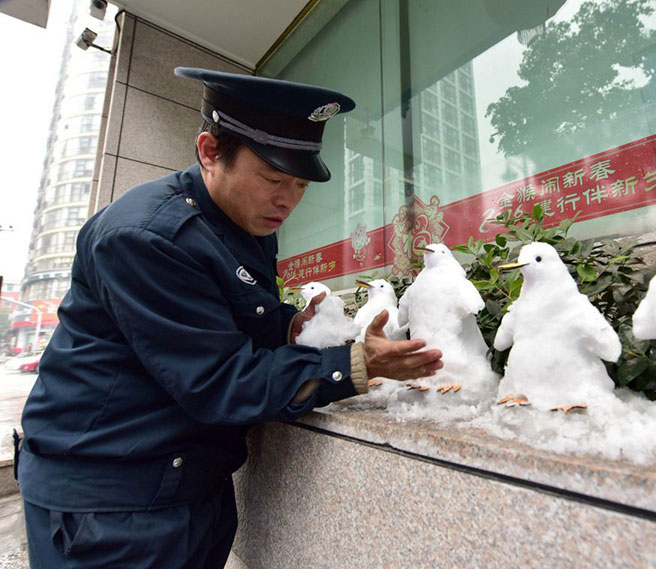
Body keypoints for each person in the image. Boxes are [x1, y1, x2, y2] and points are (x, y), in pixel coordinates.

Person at [17, 67, 443, 568]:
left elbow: (236, 320)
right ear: (210, 152)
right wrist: (353, 364)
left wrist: (290, 325)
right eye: (273, 178)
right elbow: (219, 379)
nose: (288, 200)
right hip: (110, 504)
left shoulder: (247, 222)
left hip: (190, 484)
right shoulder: (147, 237)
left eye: (301, 184)